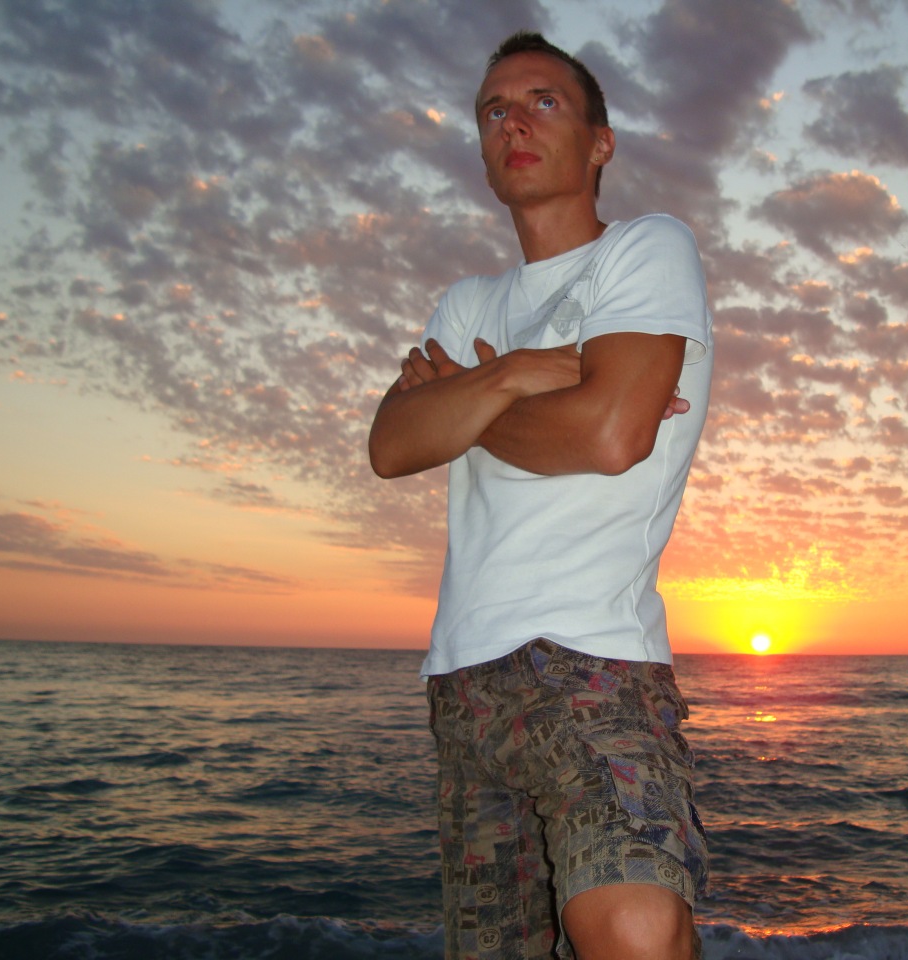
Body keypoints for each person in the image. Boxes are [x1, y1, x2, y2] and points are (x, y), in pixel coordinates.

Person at [369, 30, 713, 960]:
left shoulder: (644, 250)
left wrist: (464, 401)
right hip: (464, 684)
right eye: (493, 111)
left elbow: (609, 436)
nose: (512, 122)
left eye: (543, 102)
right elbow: (392, 446)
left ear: (601, 144)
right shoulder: (468, 304)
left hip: (595, 666)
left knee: (636, 930)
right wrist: (522, 372)